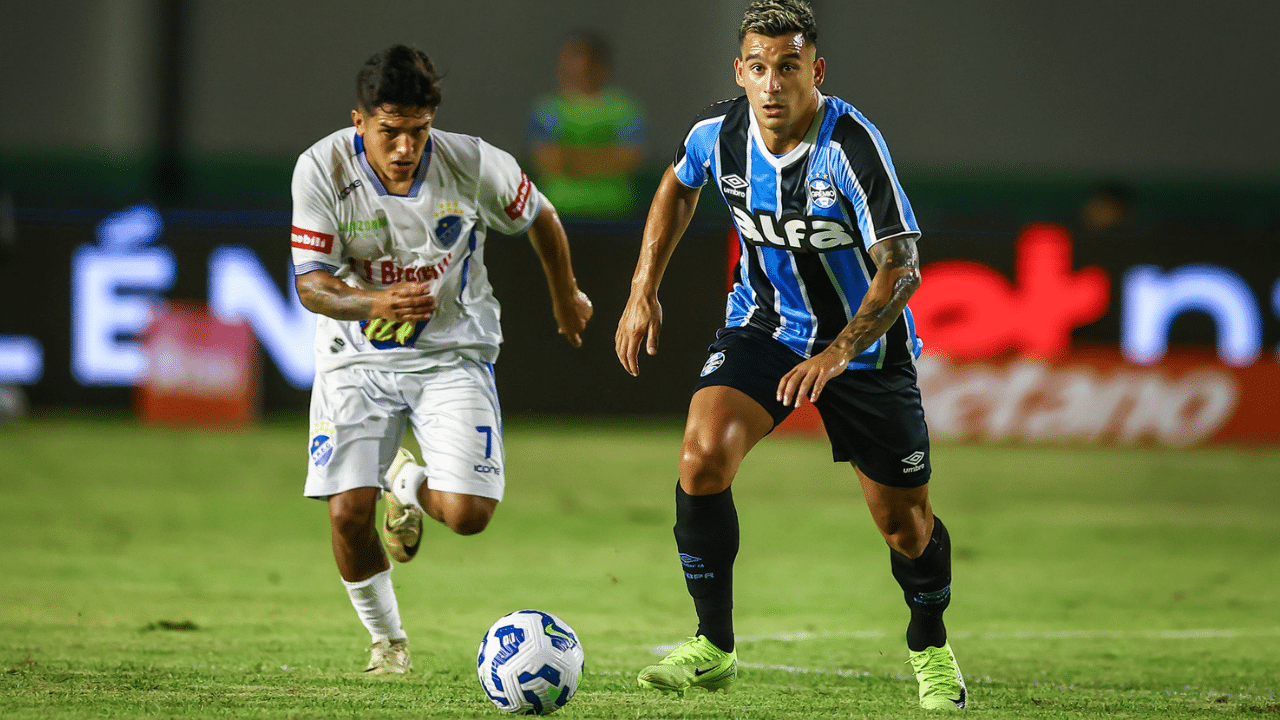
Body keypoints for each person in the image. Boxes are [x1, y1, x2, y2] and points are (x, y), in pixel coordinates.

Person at [614, 1, 966, 710]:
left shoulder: (851, 148)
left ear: (817, 71)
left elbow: (901, 266)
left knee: (906, 526)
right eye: (758, 67)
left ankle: (929, 645)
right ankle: (712, 647)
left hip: (864, 355)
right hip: (765, 330)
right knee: (701, 458)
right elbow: (678, 186)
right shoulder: (718, 135)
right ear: (739, 71)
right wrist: (642, 285)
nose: (772, 84)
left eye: (789, 67)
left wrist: (837, 354)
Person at [290, 45, 592, 675]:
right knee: (348, 512)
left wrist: (565, 295)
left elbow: (541, 216)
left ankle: (404, 480)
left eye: (417, 131)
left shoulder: (473, 163)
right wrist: (376, 300)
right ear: (360, 121)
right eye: (389, 132)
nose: (404, 149)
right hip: (356, 359)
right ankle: (388, 643)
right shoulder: (319, 170)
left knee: (469, 516)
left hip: (452, 352)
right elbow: (311, 285)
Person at [528, 31, 647, 219]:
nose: (579, 69)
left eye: (586, 63)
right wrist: (604, 159)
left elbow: (629, 160)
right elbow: (549, 160)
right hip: (559, 211)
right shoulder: (548, 109)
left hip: (615, 211)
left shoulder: (624, 108)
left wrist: (572, 159)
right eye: (571, 61)